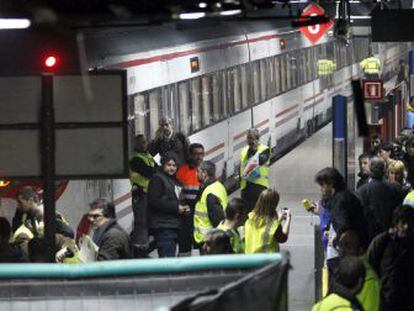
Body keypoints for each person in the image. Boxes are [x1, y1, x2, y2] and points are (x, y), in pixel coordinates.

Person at [315, 167, 368, 277]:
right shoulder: (345, 196)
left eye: (322, 185)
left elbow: (344, 227)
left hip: (342, 256)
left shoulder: (339, 201)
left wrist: (336, 242)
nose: (321, 189)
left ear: (331, 184)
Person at [367, 206, 414, 310]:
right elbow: (369, 268)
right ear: (396, 224)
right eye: (403, 222)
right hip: (385, 303)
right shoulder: (382, 242)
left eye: (410, 223)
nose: (407, 227)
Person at [148, 154, 190, 257]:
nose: (171, 168)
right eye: (169, 165)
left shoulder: (175, 181)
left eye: (174, 165)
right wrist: (176, 208)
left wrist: (184, 207)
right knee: (167, 260)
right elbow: (155, 201)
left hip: (174, 225)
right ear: (163, 165)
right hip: (164, 227)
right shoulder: (157, 180)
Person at [356, 157, 403, 243]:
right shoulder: (397, 188)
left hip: (370, 236)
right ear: (385, 170)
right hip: (393, 235)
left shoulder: (362, 191)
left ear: (370, 170)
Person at [337, 231, 380, 311]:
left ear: (361, 250)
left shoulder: (368, 279)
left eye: (348, 246)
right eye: (340, 245)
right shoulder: (343, 271)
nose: (342, 250)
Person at [129, 134, 157, 256]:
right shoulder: (135, 159)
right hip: (140, 195)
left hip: (148, 194)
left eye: (144, 142)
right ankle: (140, 250)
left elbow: (157, 169)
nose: (143, 144)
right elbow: (150, 172)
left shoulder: (147, 155)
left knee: (147, 222)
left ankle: (144, 247)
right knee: (141, 223)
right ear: (135, 144)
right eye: (140, 143)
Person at [176, 143, 205, 256]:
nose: (199, 157)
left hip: (201, 212)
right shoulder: (182, 171)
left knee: (202, 239)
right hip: (186, 212)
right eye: (196, 154)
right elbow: (177, 192)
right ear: (190, 155)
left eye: (201, 154)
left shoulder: (205, 170)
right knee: (185, 240)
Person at [193, 161, 228, 249]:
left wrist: (211, 242)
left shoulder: (210, 193)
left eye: (198, 171)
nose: (196, 174)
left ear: (204, 173)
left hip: (210, 241)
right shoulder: (217, 186)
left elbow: (217, 220)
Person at [244, 189, 291, 254]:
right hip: (266, 260)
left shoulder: (249, 219)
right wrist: (288, 219)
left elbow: (264, 230)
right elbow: (283, 238)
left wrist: (278, 220)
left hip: (250, 260)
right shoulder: (273, 224)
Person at [240, 128, 270, 216]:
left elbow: (260, 160)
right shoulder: (244, 150)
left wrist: (254, 149)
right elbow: (242, 166)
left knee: (259, 214)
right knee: (247, 215)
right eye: (248, 139)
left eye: (251, 139)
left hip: (259, 187)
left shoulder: (265, 149)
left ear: (257, 139)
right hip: (246, 188)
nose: (249, 141)